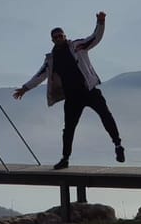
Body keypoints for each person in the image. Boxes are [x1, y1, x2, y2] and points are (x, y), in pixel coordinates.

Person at [13, 11, 125, 170]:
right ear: (52, 39)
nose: (59, 38)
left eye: (61, 35)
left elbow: (95, 38)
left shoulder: (77, 46)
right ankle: (65, 158)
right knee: (68, 129)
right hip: (72, 97)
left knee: (106, 115)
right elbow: (40, 75)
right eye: (56, 37)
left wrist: (101, 23)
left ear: (65, 36)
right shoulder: (51, 59)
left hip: (89, 90)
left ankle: (118, 145)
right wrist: (25, 88)